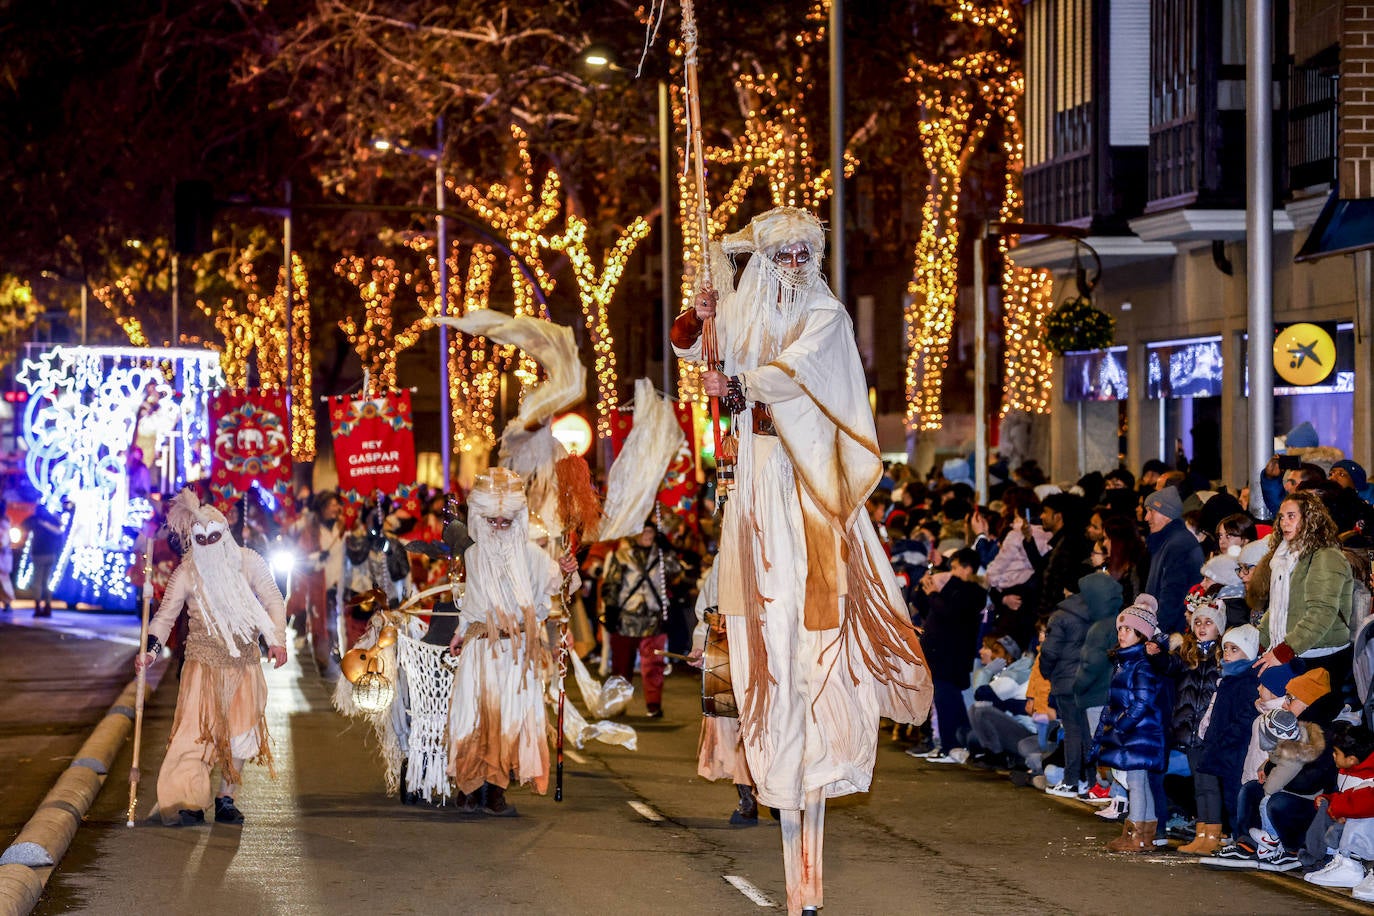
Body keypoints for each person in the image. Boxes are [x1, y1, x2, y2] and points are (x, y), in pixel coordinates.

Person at [674, 206, 930, 916]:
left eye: (799, 251)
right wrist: (703, 318)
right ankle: (775, 770)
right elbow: (694, 351)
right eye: (777, 252)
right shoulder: (745, 305)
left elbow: (794, 373)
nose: (788, 262)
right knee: (763, 634)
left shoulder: (828, 314)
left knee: (821, 617)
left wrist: (744, 383)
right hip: (754, 481)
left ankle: (826, 729)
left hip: (805, 480)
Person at [134, 488, 288, 826]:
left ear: (225, 534)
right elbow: (164, 616)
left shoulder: (249, 562)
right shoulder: (187, 572)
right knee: (194, 733)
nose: (208, 544)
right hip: (201, 667)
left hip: (243, 664)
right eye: (201, 539)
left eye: (214, 536)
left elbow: (274, 599)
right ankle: (188, 799)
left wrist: (277, 640)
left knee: (240, 733)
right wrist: (150, 651)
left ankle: (226, 798)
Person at [445, 468, 577, 817]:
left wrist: (567, 570)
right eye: (492, 522)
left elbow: (557, 590)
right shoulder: (472, 555)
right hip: (479, 650)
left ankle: (495, 790)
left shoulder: (532, 555)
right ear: (481, 519)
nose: (498, 529)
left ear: (516, 520)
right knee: (473, 718)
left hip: (517, 653)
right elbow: (470, 606)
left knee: (509, 720)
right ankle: (470, 785)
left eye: (505, 522)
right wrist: (459, 635)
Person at [1251, 490, 1354, 723]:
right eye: (1281, 517)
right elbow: (1277, 609)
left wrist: (1284, 651)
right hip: (1296, 650)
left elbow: (1321, 613)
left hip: (1321, 657)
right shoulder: (1284, 557)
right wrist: (1258, 642)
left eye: (1291, 516)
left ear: (1310, 519)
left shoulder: (1326, 556)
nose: (1284, 523)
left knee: (1302, 731)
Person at [1090, 595, 1170, 853]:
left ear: (1142, 634)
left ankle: (1135, 834)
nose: (1122, 634)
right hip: (1136, 731)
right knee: (1139, 782)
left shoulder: (1141, 664)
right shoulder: (1125, 661)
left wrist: (1121, 726)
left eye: (1129, 629)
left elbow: (1142, 701)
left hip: (1140, 732)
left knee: (1136, 782)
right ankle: (1143, 834)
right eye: (1121, 628)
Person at [1158, 601, 1226, 854]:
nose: (1201, 627)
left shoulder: (1221, 657)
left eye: (1209, 623)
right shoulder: (1187, 655)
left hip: (1208, 732)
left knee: (1209, 784)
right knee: (1199, 785)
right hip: (1189, 730)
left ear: (1219, 628)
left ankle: (1213, 834)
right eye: (1197, 622)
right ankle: (1201, 833)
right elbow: (1166, 667)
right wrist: (1161, 651)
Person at [599, 522, 684, 718]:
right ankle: (618, 704)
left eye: (650, 532)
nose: (647, 535)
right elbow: (611, 583)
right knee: (621, 666)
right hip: (626, 617)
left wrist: (668, 549)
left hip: (653, 618)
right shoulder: (622, 554)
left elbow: (676, 571)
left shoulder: (661, 554)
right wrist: (610, 609)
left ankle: (653, 704)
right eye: (643, 531)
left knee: (654, 665)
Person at [917, 548, 986, 763]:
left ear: (968, 569)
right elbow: (929, 607)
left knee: (947, 700)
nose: (952, 572)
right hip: (939, 654)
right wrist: (926, 591)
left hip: (952, 655)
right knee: (945, 700)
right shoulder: (954, 587)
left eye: (956, 567)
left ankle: (951, 745)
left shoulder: (974, 592)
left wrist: (934, 595)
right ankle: (952, 744)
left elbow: (950, 613)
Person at [1141, 486, 1204, 635]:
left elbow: (1173, 596)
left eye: (1151, 511)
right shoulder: (1165, 542)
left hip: (1173, 633)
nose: (1146, 518)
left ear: (1167, 514)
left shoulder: (1178, 546)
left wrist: (1155, 631)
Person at [25, 498, 69, 618]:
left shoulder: (36, 521)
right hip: (50, 554)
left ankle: (38, 607)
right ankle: (48, 606)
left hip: (38, 554)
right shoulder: (52, 521)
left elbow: (24, 525)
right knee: (46, 582)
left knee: (38, 582)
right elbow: (60, 529)